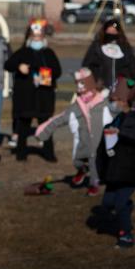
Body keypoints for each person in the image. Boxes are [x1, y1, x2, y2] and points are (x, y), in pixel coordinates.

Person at [94, 77, 135, 249]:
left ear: (124, 101)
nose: (111, 103)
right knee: (108, 203)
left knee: (119, 203)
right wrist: (99, 172)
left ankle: (126, 236)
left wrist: (121, 134)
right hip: (114, 172)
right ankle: (126, 206)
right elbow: (102, 150)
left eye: (114, 100)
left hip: (130, 172)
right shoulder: (113, 120)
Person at [35, 68, 110, 196]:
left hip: (98, 140)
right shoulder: (76, 106)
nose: (79, 86)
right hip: (81, 139)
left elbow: (120, 113)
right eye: (78, 83)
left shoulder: (103, 102)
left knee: (94, 160)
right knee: (77, 161)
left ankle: (94, 184)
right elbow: (60, 118)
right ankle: (82, 169)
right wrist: (43, 131)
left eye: (82, 83)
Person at [4, 18, 62, 161]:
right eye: (34, 36)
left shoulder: (48, 53)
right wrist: (19, 67)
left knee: (46, 125)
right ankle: (21, 153)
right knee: (23, 125)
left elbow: (58, 71)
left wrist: (47, 74)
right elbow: (8, 65)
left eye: (39, 36)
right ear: (29, 36)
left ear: (43, 36)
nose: (37, 38)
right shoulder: (22, 52)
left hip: (44, 96)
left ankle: (49, 153)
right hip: (26, 96)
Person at [82, 17, 135, 94]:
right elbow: (86, 66)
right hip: (100, 88)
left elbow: (133, 68)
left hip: (122, 89)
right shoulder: (96, 47)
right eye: (109, 31)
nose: (111, 34)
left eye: (114, 31)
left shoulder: (125, 48)